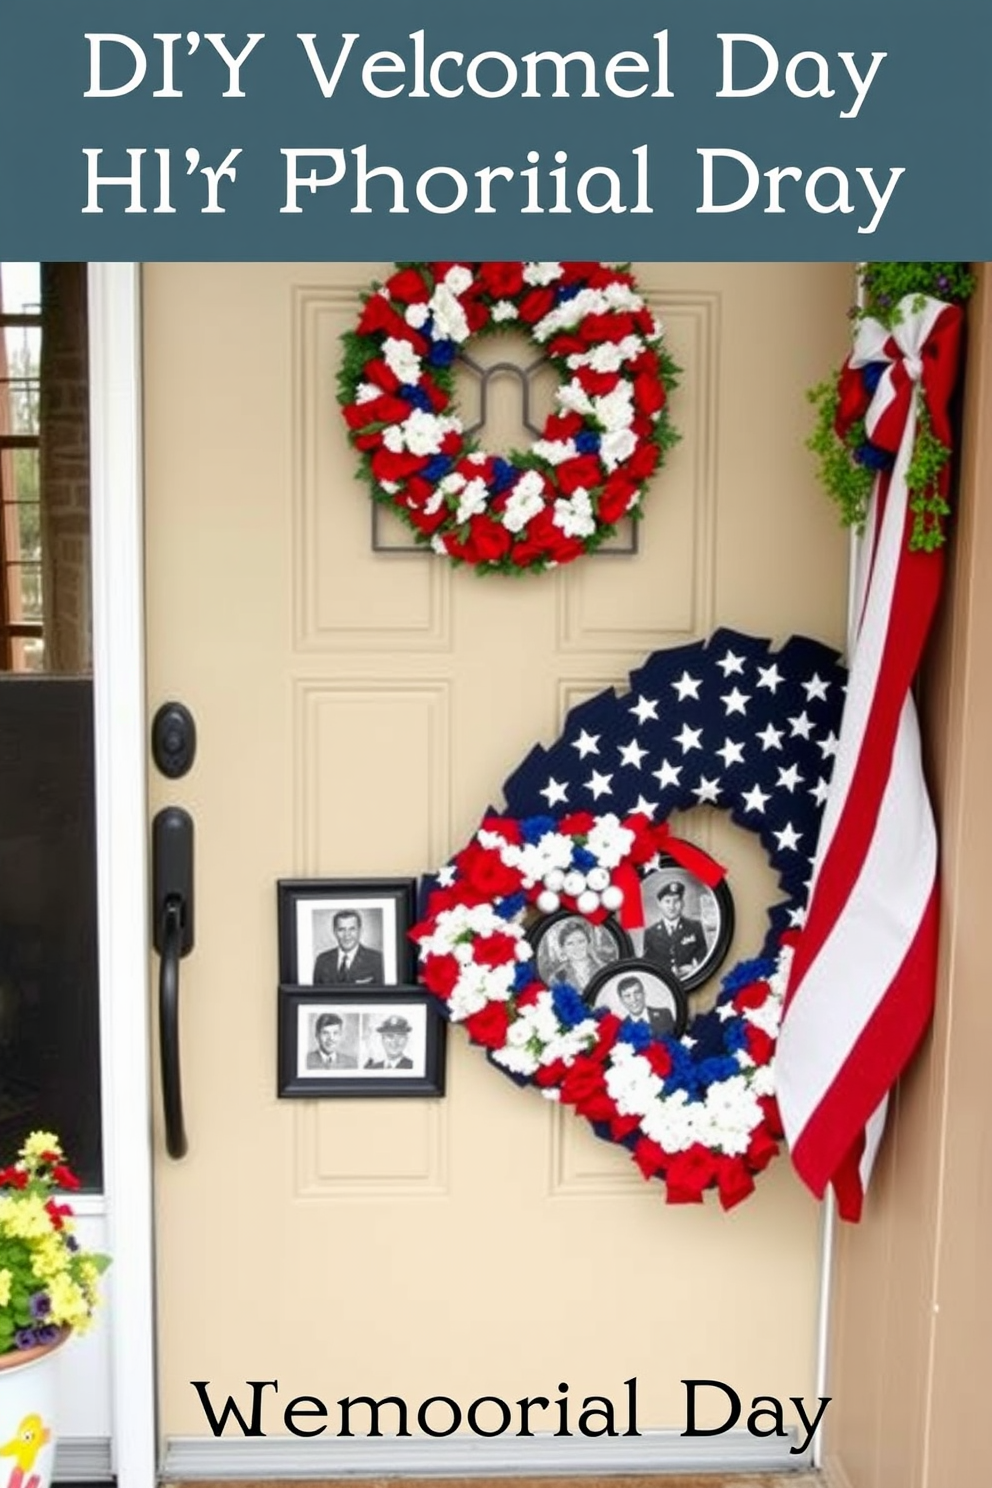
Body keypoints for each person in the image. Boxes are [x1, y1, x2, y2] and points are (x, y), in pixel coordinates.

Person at [642, 879, 709, 982]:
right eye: (667, 901)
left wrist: (694, 966)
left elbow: (704, 955)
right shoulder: (650, 933)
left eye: (676, 901)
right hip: (663, 982)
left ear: (682, 903)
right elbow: (648, 965)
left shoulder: (695, 927)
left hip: (692, 979)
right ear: (659, 904)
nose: (672, 906)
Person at [312, 908, 385, 985]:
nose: (347, 935)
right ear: (335, 931)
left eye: (352, 929)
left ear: (360, 931)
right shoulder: (322, 960)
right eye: (341, 929)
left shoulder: (377, 960)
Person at [543, 919, 614, 992]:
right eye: (570, 943)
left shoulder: (604, 969)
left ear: (589, 943)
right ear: (563, 948)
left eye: (581, 941)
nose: (577, 948)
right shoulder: (558, 977)